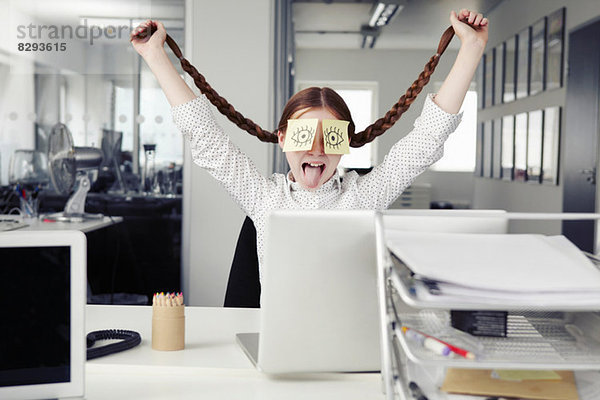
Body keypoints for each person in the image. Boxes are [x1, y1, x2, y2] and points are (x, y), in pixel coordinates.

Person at [130, 9, 488, 278]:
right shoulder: (263, 196)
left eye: (330, 138)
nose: (317, 150)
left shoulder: (362, 197)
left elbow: (427, 139)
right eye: (303, 136)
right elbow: (205, 137)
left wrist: (470, 48)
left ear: (345, 143)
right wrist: (155, 55)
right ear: (283, 139)